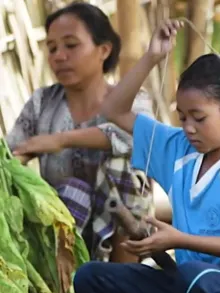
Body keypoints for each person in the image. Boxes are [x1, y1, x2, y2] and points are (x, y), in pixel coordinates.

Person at [72, 19, 220, 293]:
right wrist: (152, 56)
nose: (188, 127)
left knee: (195, 279)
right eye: (182, 118)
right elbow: (113, 109)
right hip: (188, 281)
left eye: (199, 118)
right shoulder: (175, 148)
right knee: (91, 276)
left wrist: (181, 240)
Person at [6, 2, 153, 263]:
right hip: (61, 224)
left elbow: (134, 135)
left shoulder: (132, 100)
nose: (59, 56)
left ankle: (122, 279)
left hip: (126, 233)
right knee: (73, 192)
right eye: (52, 48)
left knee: (121, 165)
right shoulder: (42, 102)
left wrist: (60, 140)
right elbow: (13, 151)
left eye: (71, 45)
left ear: (104, 50)